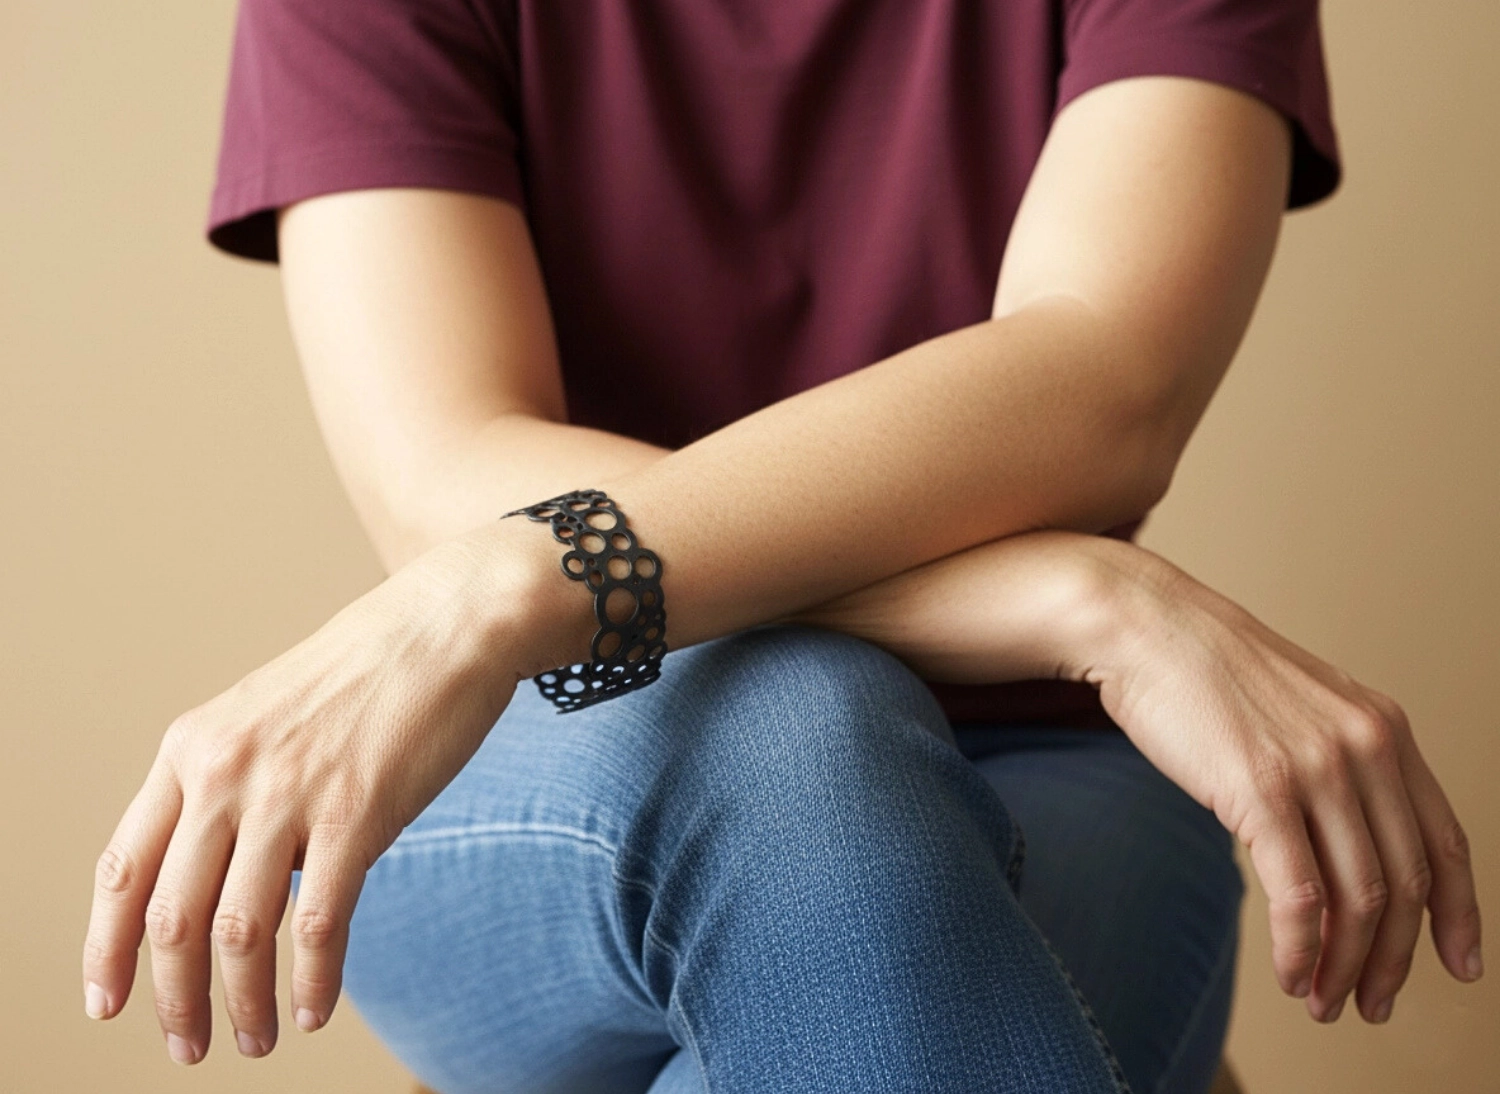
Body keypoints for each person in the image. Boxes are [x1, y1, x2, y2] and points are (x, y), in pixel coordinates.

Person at [81, 1, 1483, 1092]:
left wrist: (512, 576)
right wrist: (1072, 591)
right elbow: (446, 470)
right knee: (805, 724)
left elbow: (1100, 382)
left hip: (1049, 767)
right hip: (540, 751)